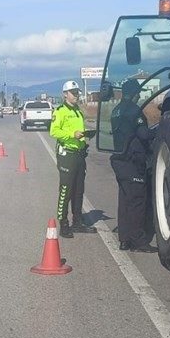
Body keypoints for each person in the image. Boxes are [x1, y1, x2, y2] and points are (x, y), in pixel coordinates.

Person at [110, 79, 158, 253]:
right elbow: (143, 135)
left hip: (119, 160)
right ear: (134, 93)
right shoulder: (134, 110)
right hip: (133, 161)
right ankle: (138, 241)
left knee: (124, 201)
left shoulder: (116, 111)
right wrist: (158, 130)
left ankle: (124, 239)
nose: (139, 95)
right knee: (137, 201)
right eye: (139, 92)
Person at [50, 80, 96, 238]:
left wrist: (84, 139)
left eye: (77, 92)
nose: (76, 95)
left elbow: (79, 130)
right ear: (65, 94)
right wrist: (72, 135)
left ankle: (78, 221)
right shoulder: (60, 111)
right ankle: (63, 223)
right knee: (66, 189)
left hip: (79, 153)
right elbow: (54, 131)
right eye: (73, 92)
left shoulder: (78, 111)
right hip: (67, 154)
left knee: (79, 189)